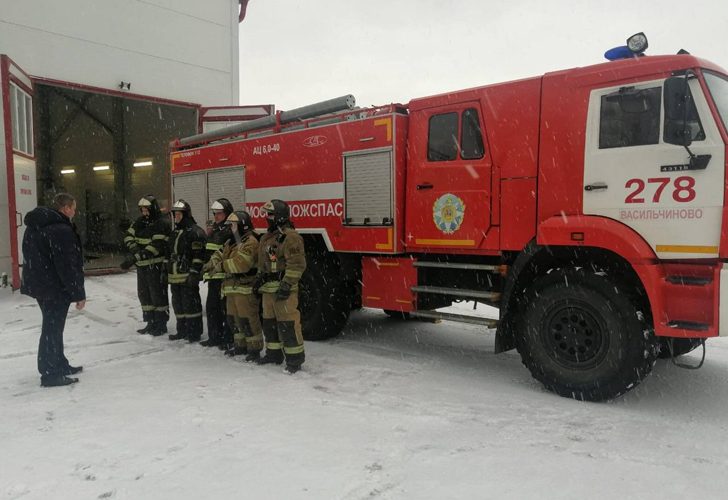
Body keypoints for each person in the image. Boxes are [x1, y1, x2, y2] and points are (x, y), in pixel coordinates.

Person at [21, 193, 86, 387]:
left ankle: (59, 363)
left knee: (53, 327)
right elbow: (67, 265)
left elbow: (28, 254)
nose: (74, 212)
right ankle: (50, 373)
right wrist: (78, 293)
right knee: (52, 329)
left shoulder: (35, 225)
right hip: (55, 288)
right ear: (65, 208)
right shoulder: (61, 230)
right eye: (73, 208)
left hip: (41, 286)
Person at [254, 199, 306, 373]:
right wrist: (259, 278)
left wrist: (287, 284)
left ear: (279, 217)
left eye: (270, 215)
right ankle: (273, 354)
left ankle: (294, 360)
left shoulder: (291, 237)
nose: (267, 218)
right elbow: (264, 262)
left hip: (284, 291)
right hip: (268, 290)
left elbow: (297, 264)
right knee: (269, 324)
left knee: (288, 324)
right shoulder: (267, 237)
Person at [206, 210, 262, 359]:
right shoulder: (232, 241)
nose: (230, 228)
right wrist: (211, 263)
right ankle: (240, 346)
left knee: (248, 320)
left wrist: (221, 266)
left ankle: (254, 349)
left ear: (242, 225)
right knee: (234, 320)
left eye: (233, 225)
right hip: (232, 288)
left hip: (245, 288)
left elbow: (242, 264)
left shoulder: (251, 242)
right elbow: (220, 253)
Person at [121, 195, 171, 336]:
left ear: (153, 208)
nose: (144, 213)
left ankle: (161, 324)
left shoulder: (161, 223)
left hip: (155, 266)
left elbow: (156, 246)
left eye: (146, 210)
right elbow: (128, 235)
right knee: (144, 295)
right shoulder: (140, 222)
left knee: (158, 296)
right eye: (142, 210)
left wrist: (135, 257)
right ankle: (150, 322)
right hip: (142, 267)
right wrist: (134, 249)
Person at [167, 199, 207, 342]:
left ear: (186, 214)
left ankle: (194, 333)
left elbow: (199, 255)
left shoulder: (195, 232)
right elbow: (168, 252)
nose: (176, 217)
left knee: (191, 305)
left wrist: (194, 273)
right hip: (175, 276)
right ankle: (182, 330)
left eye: (179, 214)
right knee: (178, 305)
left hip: (187, 276)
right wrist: (165, 271)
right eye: (175, 214)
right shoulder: (175, 232)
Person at [200, 198, 234, 348]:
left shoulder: (231, 230)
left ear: (227, 213)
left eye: (219, 213)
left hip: (224, 278)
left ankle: (227, 339)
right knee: (212, 308)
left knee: (225, 310)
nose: (216, 216)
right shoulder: (214, 230)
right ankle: (214, 337)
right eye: (215, 213)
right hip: (213, 277)